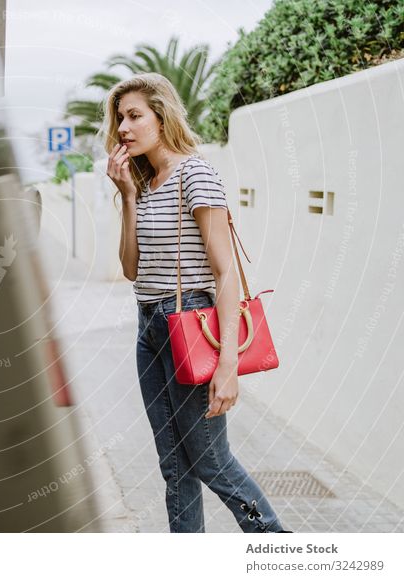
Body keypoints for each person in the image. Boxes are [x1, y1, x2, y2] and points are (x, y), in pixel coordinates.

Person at [101, 73, 290, 533]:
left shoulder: (195, 174)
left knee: (211, 462)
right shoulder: (145, 184)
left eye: (134, 116)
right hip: (150, 326)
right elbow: (131, 268)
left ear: (161, 116)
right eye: (118, 118)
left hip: (189, 325)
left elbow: (225, 272)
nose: (123, 128)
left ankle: (276, 542)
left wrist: (227, 364)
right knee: (175, 467)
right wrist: (128, 197)